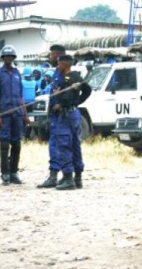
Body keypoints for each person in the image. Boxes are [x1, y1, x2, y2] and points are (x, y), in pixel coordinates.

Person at [49, 54, 92, 190]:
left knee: (64, 145)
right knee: (75, 145)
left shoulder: (67, 79)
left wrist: (60, 104)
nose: (58, 66)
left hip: (66, 115)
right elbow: (87, 90)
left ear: (66, 64)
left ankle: (68, 178)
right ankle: (77, 178)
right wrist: (78, 102)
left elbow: (67, 97)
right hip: (74, 113)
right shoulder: (77, 77)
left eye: (59, 64)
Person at [0, 45, 31, 185]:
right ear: (3, 58)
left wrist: (25, 115)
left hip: (18, 114)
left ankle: (14, 172)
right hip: (5, 114)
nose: (9, 59)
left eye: (11, 56)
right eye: (6, 56)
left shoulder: (16, 73)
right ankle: (5, 173)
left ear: (14, 58)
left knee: (17, 144)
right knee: (4, 144)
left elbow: (21, 96)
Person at [37, 44, 66, 188]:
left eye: (52, 54)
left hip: (61, 116)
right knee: (56, 144)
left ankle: (56, 176)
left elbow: (70, 94)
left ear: (59, 55)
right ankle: (59, 175)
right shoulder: (55, 72)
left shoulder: (64, 73)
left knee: (57, 145)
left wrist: (61, 105)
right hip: (54, 116)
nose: (50, 56)